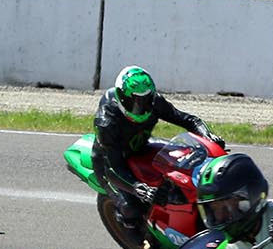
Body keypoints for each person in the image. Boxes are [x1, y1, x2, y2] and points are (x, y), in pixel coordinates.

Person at [91, 65, 215, 229]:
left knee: (181, 170)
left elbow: (189, 120)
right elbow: (113, 169)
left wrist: (209, 137)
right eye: (135, 102)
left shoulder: (155, 102)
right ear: (122, 98)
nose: (141, 107)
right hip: (109, 162)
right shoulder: (107, 123)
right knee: (131, 209)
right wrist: (138, 189)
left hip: (141, 146)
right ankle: (131, 225)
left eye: (146, 100)